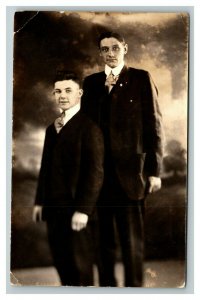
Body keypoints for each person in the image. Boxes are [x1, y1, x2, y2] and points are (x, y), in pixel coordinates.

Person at [81, 31, 164, 287]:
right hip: (100, 178)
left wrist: (154, 171)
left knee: (131, 245)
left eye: (115, 48)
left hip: (131, 175)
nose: (110, 53)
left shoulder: (141, 78)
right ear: (100, 53)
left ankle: (134, 290)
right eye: (105, 50)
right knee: (103, 244)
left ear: (125, 48)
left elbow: (154, 126)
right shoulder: (92, 83)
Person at [32, 71, 104, 286]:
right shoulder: (51, 130)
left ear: (80, 93)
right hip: (54, 208)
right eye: (58, 91)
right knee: (62, 263)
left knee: (80, 266)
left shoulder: (90, 128)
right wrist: (39, 200)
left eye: (68, 90)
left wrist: (83, 209)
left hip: (76, 209)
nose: (62, 95)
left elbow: (95, 172)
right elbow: (45, 168)